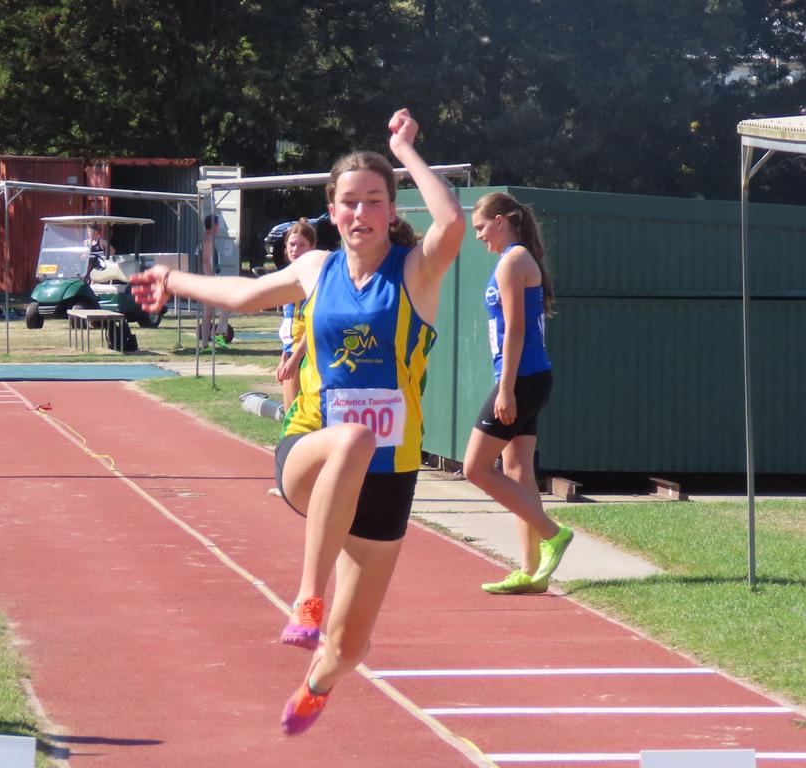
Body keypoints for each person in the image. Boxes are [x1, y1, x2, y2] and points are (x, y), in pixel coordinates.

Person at [130, 108, 464, 735]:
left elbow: (450, 222)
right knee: (355, 436)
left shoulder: (417, 273)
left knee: (351, 647)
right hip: (311, 448)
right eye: (348, 203)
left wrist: (405, 151)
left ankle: (318, 680)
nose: (360, 213)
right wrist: (171, 277)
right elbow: (241, 295)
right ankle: (308, 594)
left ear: (391, 210)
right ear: (331, 213)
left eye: (373, 201)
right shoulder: (316, 270)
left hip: (390, 478)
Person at [461, 192, 573, 595]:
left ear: (502, 221)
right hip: (526, 377)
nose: (478, 236)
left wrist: (506, 388)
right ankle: (530, 570)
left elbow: (517, 330)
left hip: (522, 380)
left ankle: (553, 534)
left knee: (475, 468)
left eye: (481, 227)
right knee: (518, 472)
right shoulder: (513, 260)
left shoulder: (513, 261)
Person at [276, 218, 318, 410]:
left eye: (302, 245)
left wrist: (294, 359)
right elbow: (290, 325)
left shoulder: (312, 280)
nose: (296, 249)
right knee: (288, 415)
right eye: (292, 244)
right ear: (285, 247)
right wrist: (284, 357)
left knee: (298, 419)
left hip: (307, 356)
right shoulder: (288, 277)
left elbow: (313, 326)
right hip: (291, 352)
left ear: (312, 248)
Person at [198, 214, 233, 349]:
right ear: (215, 226)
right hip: (210, 280)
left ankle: (206, 344)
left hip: (208, 280)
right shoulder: (207, 240)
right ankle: (218, 333)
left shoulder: (206, 239)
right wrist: (211, 279)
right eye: (218, 225)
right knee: (228, 303)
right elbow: (206, 261)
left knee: (208, 314)